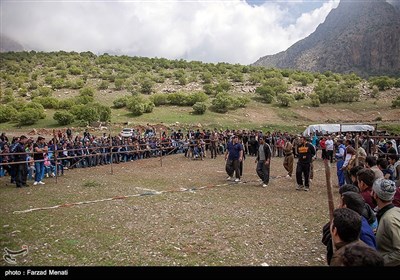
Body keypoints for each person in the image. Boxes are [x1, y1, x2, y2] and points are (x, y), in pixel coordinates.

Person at [371, 178, 400, 266]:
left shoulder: (389, 220)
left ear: (376, 195)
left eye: (372, 191)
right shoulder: (396, 210)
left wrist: (380, 263)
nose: (370, 194)